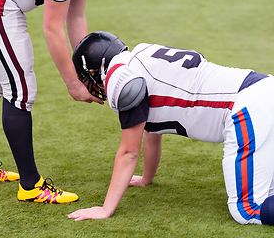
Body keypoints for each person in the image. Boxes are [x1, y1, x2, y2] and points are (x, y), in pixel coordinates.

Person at [67, 31, 274, 225]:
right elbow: (150, 131)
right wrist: (147, 178)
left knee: (246, 208)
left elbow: (129, 152)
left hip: (245, 108)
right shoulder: (140, 54)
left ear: (97, 70)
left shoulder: (122, 78)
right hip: (263, 89)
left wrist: (105, 210)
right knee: (269, 192)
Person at [0, 0, 103, 204]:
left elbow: (75, 16)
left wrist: (86, 70)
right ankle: (31, 185)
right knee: (19, 90)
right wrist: (73, 83)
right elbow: (52, 29)